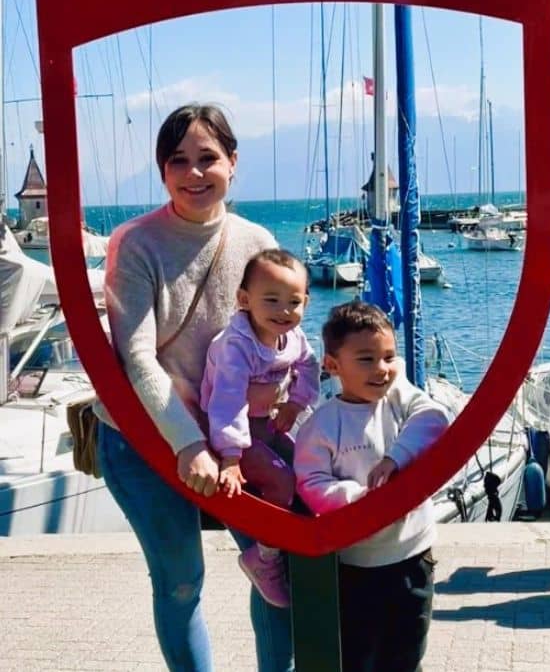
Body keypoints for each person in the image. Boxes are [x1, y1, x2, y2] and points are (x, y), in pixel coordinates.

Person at [95, 103, 294, 672]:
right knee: (181, 582)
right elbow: (136, 355)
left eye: (208, 158)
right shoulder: (136, 243)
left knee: (277, 570)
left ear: (233, 162)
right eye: (177, 160)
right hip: (144, 436)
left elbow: (273, 337)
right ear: (162, 171)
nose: (194, 173)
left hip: (232, 435)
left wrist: (284, 399)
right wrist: (187, 443)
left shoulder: (256, 241)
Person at [294, 301, 449, 672]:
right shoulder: (321, 426)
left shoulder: (399, 397)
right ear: (333, 366)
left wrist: (395, 458)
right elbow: (311, 482)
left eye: (389, 356)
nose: (382, 369)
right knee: (359, 656)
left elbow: (434, 418)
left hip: (413, 556)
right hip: (356, 567)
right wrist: (360, 499)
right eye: (366, 359)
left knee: (408, 653)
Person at [201, 248, 320, 608]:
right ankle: (264, 557)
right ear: (244, 300)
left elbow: (310, 366)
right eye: (271, 300)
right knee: (281, 481)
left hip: (264, 423)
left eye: (294, 302)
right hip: (232, 432)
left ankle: (308, 539)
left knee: (307, 467)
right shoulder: (236, 345)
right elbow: (227, 399)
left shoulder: (292, 337)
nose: (284, 311)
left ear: (306, 303)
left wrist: (297, 402)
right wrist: (231, 456)